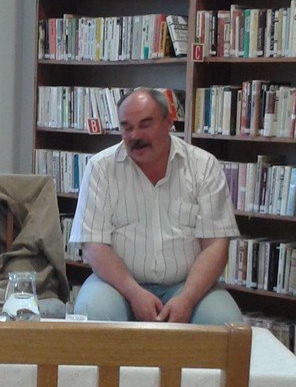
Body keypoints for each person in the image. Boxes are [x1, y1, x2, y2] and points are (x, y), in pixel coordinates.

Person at [69, 88, 243, 324]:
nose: (135, 135)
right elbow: (94, 245)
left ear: (168, 121)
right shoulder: (100, 168)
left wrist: (187, 298)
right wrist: (134, 293)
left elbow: (215, 245)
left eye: (145, 124)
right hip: (118, 285)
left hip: (187, 285)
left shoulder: (203, 166)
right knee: (94, 312)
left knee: (225, 322)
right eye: (127, 127)